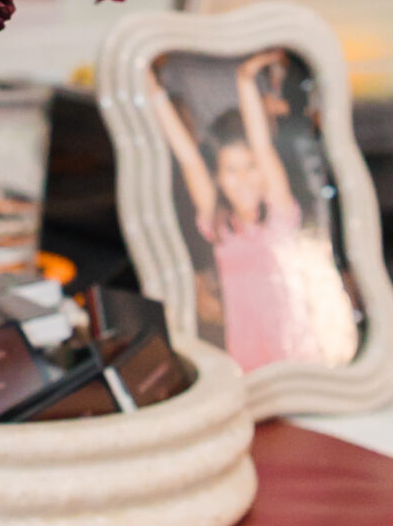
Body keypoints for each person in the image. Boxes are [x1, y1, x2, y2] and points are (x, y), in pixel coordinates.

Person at [148, 53, 358, 371]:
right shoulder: (219, 225)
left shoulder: (281, 218)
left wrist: (246, 80)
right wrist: (151, 89)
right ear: (218, 178)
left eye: (251, 168)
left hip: (299, 353)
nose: (243, 179)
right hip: (246, 357)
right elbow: (187, 156)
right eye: (231, 170)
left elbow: (261, 145)